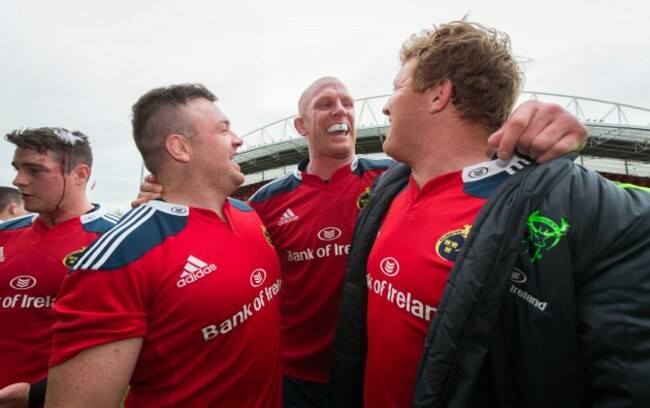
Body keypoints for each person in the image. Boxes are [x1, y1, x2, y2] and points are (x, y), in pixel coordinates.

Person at [134, 75, 588, 407]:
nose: (341, 112)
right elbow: (208, 228)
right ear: (300, 125)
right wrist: (163, 198)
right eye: (326, 104)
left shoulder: (395, 177)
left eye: (348, 103)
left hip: (371, 370)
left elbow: (462, 154)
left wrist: (532, 123)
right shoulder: (266, 202)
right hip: (294, 378)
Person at [328, 19, 650, 407]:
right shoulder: (389, 188)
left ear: (438, 95)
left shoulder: (556, 210)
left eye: (397, 88)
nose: (384, 104)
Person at [45, 84, 283, 407]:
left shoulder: (248, 215)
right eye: (224, 129)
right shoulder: (118, 258)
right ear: (180, 148)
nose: (238, 139)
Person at [0, 128, 119, 408]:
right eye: (17, 168)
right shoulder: (4, 235)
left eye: (35, 170)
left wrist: (36, 395)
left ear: (79, 175)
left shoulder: (117, 240)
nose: (18, 180)